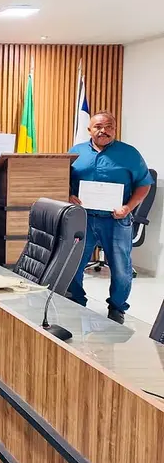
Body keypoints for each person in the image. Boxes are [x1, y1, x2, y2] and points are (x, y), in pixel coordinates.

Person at [67, 111, 153, 324]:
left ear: (115, 129)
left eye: (109, 127)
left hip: (116, 220)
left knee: (122, 268)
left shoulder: (129, 153)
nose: (103, 131)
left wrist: (128, 207)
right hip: (83, 219)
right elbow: (64, 180)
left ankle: (117, 308)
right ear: (89, 129)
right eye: (98, 126)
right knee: (73, 264)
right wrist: (69, 195)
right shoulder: (75, 153)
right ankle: (76, 301)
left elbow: (145, 183)